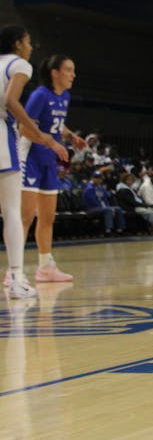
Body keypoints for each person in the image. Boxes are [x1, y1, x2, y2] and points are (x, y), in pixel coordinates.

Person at [0, 26, 69, 298]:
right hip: (4, 138)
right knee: (13, 213)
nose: (31, 47)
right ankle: (16, 277)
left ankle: (37, 266)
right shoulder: (20, 65)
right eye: (29, 42)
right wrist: (41, 134)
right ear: (18, 44)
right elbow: (10, 100)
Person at [19, 55, 88, 283]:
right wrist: (53, 142)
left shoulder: (64, 96)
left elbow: (57, 123)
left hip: (49, 160)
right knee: (25, 217)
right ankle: (14, 271)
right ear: (55, 73)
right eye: (69, 70)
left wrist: (70, 136)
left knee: (47, 217)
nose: (73, 75)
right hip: (29, 157)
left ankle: (45, 267)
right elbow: (24, 128)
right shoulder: (40, 95)